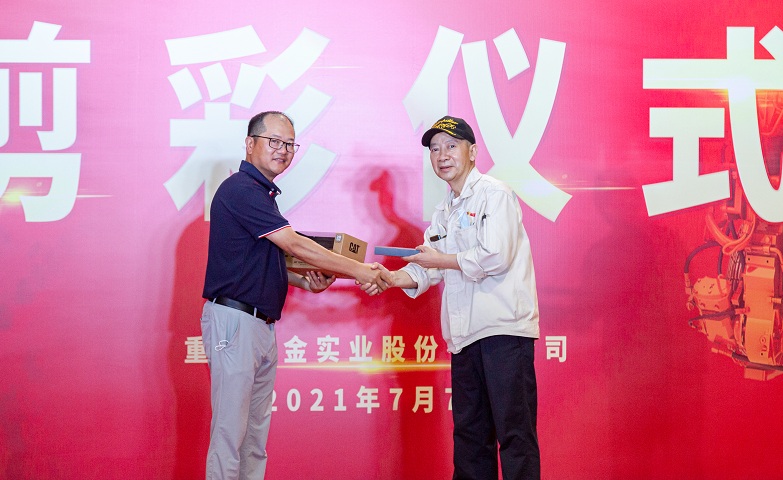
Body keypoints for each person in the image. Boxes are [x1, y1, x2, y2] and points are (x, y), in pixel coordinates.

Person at [201, 110, 389, 480]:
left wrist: (305, 283)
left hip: (259, 324)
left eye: (289, 144)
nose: (283, 150)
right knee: (230, 434)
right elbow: (293, 244)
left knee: (253, 438)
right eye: (274, 141)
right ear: (250, 143)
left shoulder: (262, 195)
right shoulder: (241, 189)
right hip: (236, 323)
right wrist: (360, 270)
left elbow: (257, 261)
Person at [366, 115, 541, 479]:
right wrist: (391, 278)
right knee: (470, 437)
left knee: (515, 435)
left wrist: (439, 260)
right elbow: (426, 267)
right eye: (434, 149)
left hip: (503, 332)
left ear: (472, 152)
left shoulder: (494, 194)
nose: (442, 155)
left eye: (451, 146)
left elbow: (495, 256)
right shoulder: (444, 210)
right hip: (463, 339)